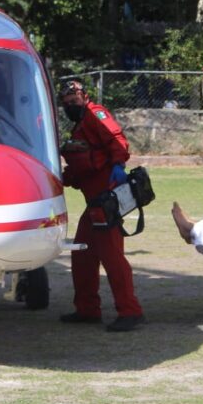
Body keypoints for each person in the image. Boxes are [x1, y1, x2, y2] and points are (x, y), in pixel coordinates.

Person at [57, 79, 145, 332]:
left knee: (112, 256)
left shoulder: (96, 114)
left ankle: (131, 311)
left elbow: (117, 141)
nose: (71, 106)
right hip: (94, 201)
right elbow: (82, 166)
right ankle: (87, 309)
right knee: (82, 253)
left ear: (85, 98)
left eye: (74, 101)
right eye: (67, 103)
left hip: (107, 199)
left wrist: (118, 165)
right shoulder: (81, 125)